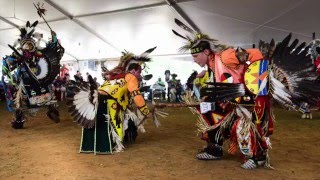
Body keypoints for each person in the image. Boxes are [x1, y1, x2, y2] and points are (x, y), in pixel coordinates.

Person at [172, 21, 273, 169]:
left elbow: (256, 54)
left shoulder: (226, 57)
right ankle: (215, 149)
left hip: (248, 102)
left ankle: (258, 157)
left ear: (206, 52)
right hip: (231, 102)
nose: (194, 60)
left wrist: (259, 87)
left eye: (195, 56)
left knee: (242, 126)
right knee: (207, 110)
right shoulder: (211, 67)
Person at [68, 47, 156, 154]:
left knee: (95, 121)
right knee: (116, 121)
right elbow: (136, 96)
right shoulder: (130, 77)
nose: (139, 75)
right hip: (110, 102)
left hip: (96, 97)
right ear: (133, 71)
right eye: (138, 72)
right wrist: (145, 111)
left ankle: (90, 146)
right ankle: (115, 145)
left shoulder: (114, 77)